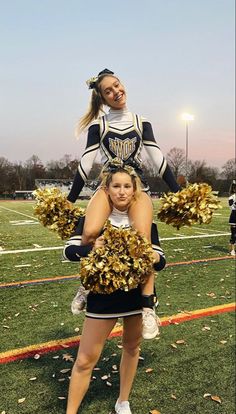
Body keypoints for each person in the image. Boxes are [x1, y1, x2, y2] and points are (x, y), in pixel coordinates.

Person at [67, 68, 180, 337]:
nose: (116, 91)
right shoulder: (99, 126)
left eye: (117, 85)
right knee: (90, 234)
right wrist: (70, 199)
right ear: (103, 99)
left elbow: (157, 158)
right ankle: (87, 284)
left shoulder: (142, 122)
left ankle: (147, 307)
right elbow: (86, 161)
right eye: (109, 91)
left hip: (136, 187)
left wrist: (177, 191)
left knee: (142, 242)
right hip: (108, 186)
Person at [64, 166, 166, 414]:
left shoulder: (144, 220)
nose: (122, 192)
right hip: (102, 296)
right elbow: (68, 252)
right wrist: (92, 249)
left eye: (127, 186)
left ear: (134, 190)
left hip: (133, 295)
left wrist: (150, 255)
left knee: (131, 347)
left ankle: (123, 401)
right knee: (86, 359)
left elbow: (161, 260)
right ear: (107, 189)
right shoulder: (92, 219)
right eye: (116, 186)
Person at [228, 179, 236, 256]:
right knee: (234, 235)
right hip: (234, 216)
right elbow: (231, 206)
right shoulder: (231, 197)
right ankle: (232, 250)